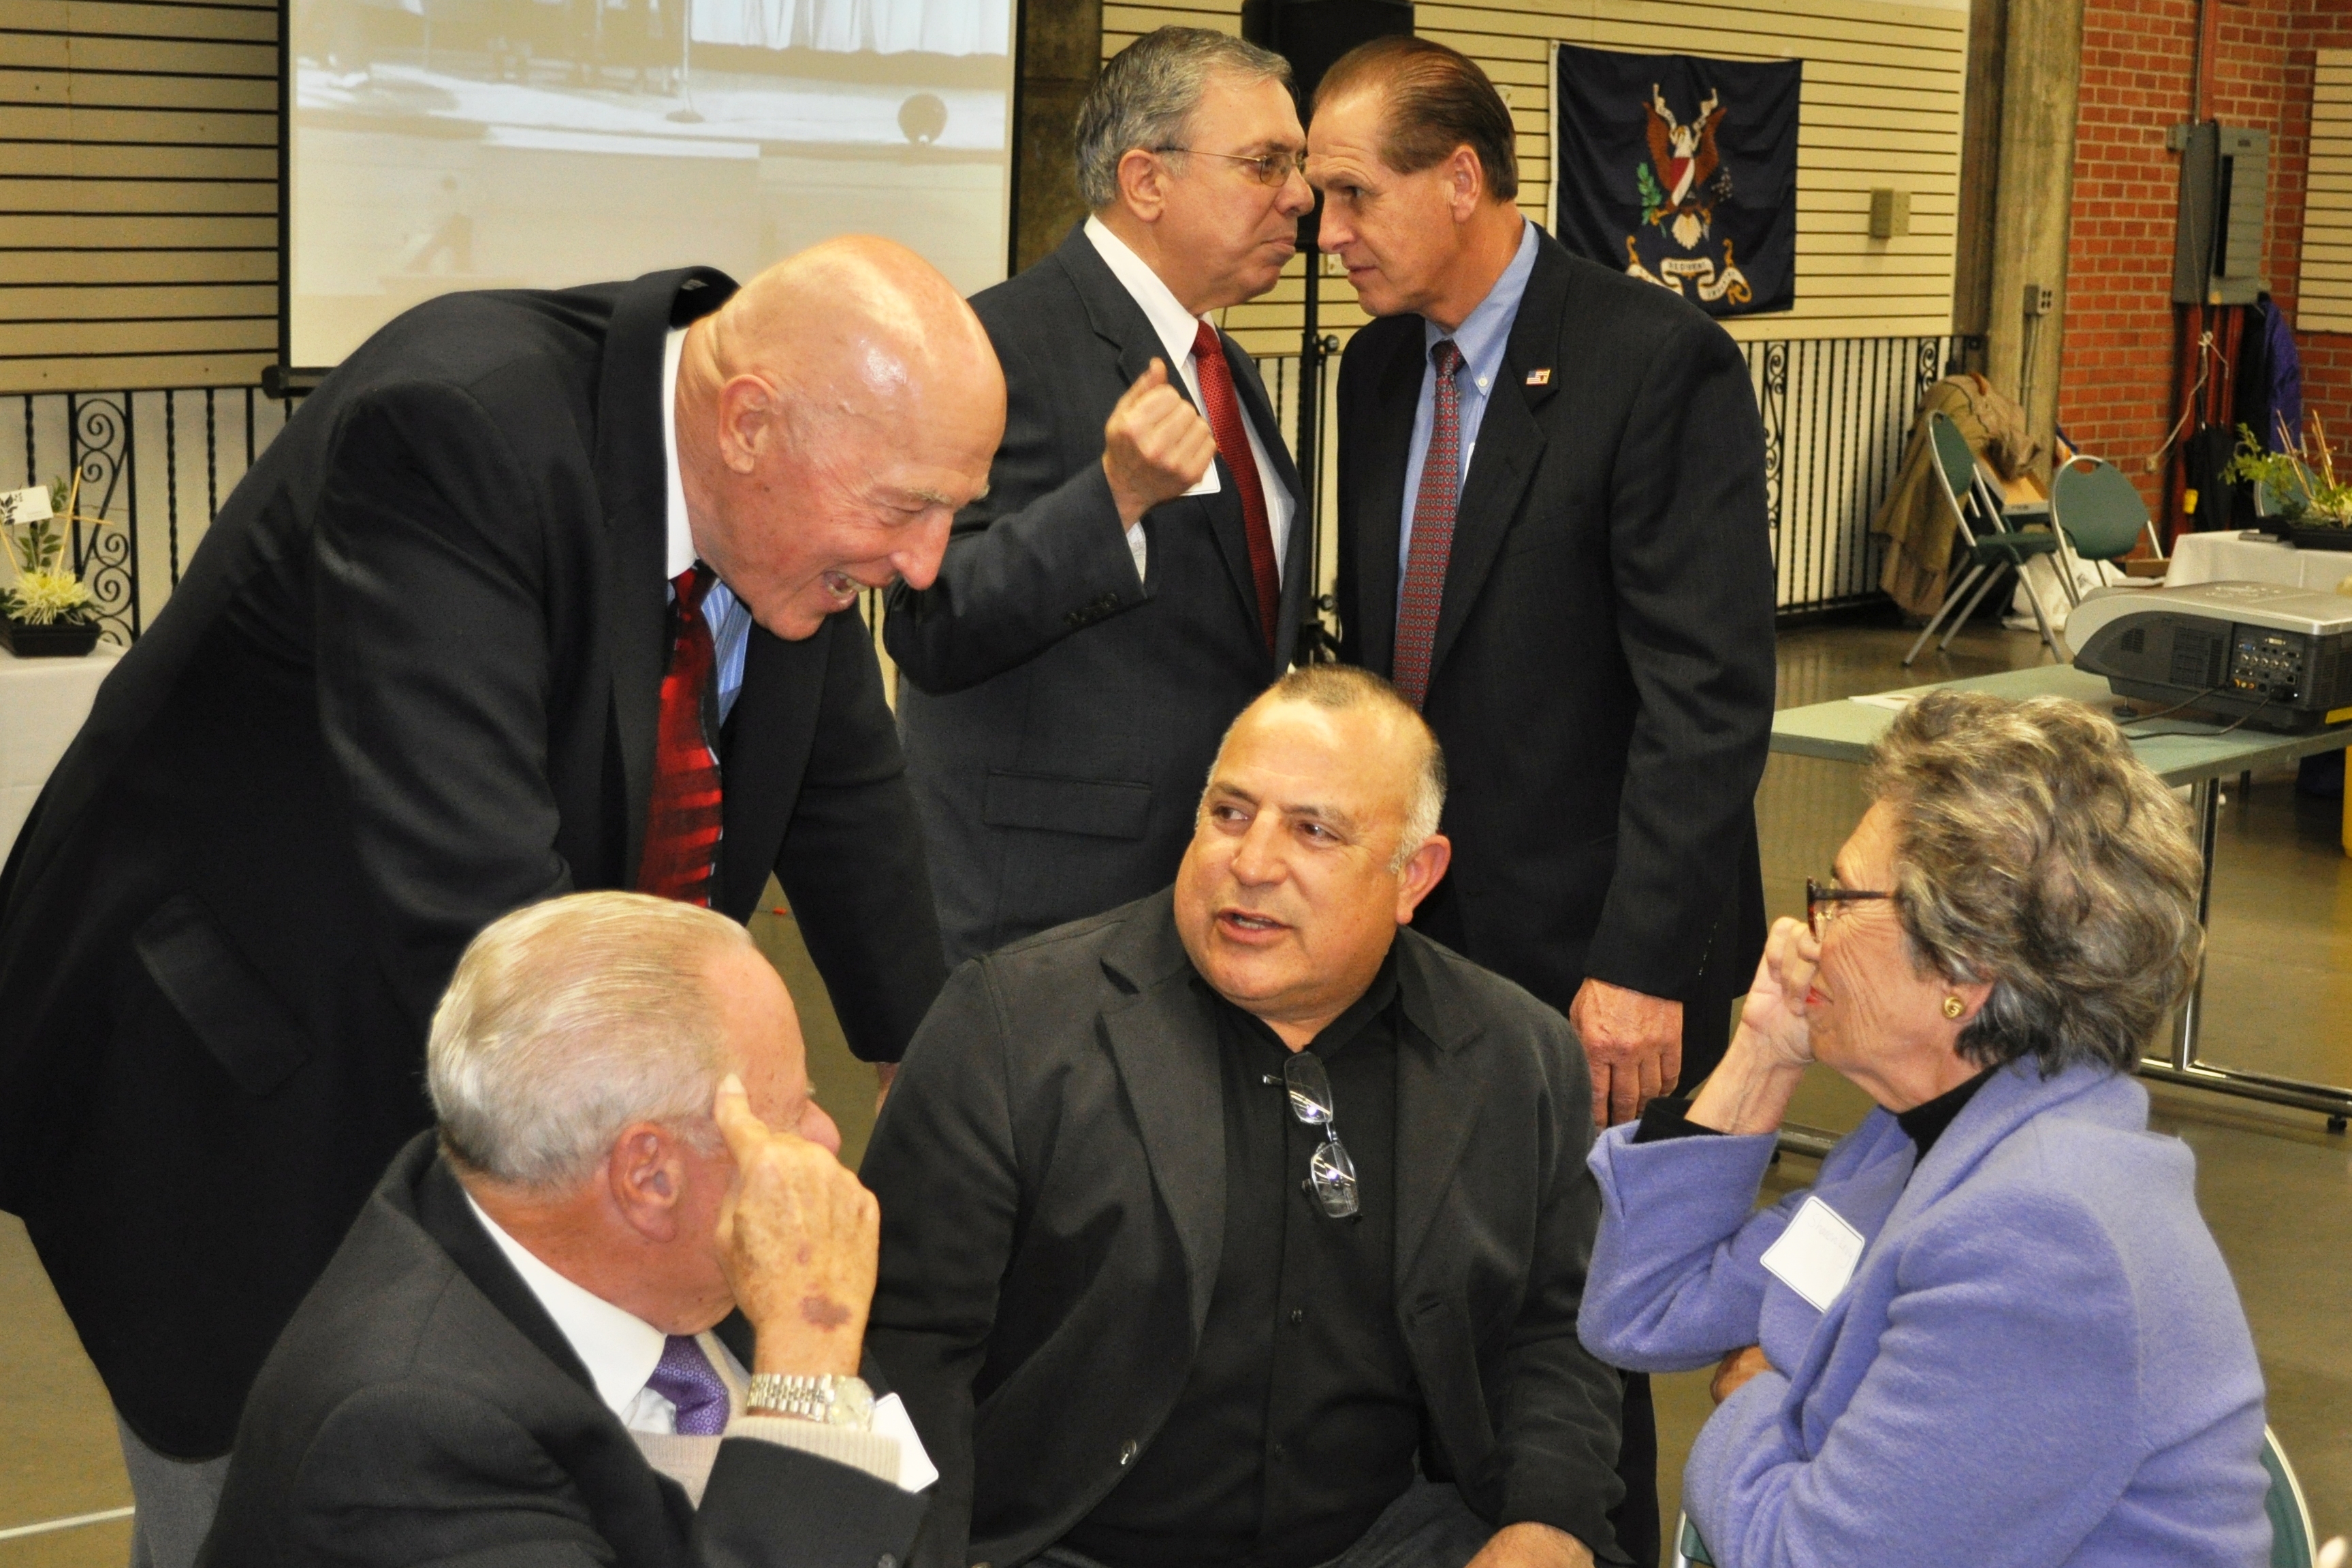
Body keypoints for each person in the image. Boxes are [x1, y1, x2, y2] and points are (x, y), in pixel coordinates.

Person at [0, 237, 1000, 1566]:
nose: (925, 564)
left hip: (489, 1031)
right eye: (904, 508)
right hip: (239, 1067)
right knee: (284, 1475)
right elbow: (479, 907)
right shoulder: (450, 430)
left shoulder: (783, 521)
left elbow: (841, 784)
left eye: (952, 514)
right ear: (749, 422)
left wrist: (923, 1069)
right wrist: (716, 1153)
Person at [1306, 38, 1777, 1558]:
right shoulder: (1375, 370)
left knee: (1577, 1313)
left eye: (1352, 195)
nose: (1326, 233)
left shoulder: (1653, 362)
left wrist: (1638, 962)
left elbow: (1706, 702)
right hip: (1413, 935)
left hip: (1594, 953)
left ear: (1460, 179)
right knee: (1413, 1280)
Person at [864, 666, 1630, 1568]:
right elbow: (905, 1342)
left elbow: (1554, 1332)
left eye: (1313, 830)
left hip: (1387, 1539)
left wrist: (1546, 1520)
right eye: (1229, 812)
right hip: (1066, 1544)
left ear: (1413, 875)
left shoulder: (1514, 1055)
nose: (1253, 862)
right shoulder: (1012, 1027)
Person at [1578, 692, 2272, 1567]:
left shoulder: (2042, 1240)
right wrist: (1763, 1050)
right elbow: (1640, 1310)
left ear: (1963, 965)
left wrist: (1761, 1388)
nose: (1807, 931)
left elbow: (1800, 1559)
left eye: (1839, 895)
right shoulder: (1916, 1144)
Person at [198, 891, 931, 1566]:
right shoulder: (404, 1439)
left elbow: (912, 1504)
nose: (825, 1137)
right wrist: (808, 1362)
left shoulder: (704, 1246)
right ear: (650, 1177)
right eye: (788, 1113)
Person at [885, 27, 1315, 966]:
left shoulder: (1223, 365)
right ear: (1146, 181)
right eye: (1265, 164)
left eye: (1298, 165)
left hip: (1201, 898)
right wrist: (1112, 499)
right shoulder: (992, 345)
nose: (1301, 195)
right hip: (1043, 919)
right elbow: (930, 624)